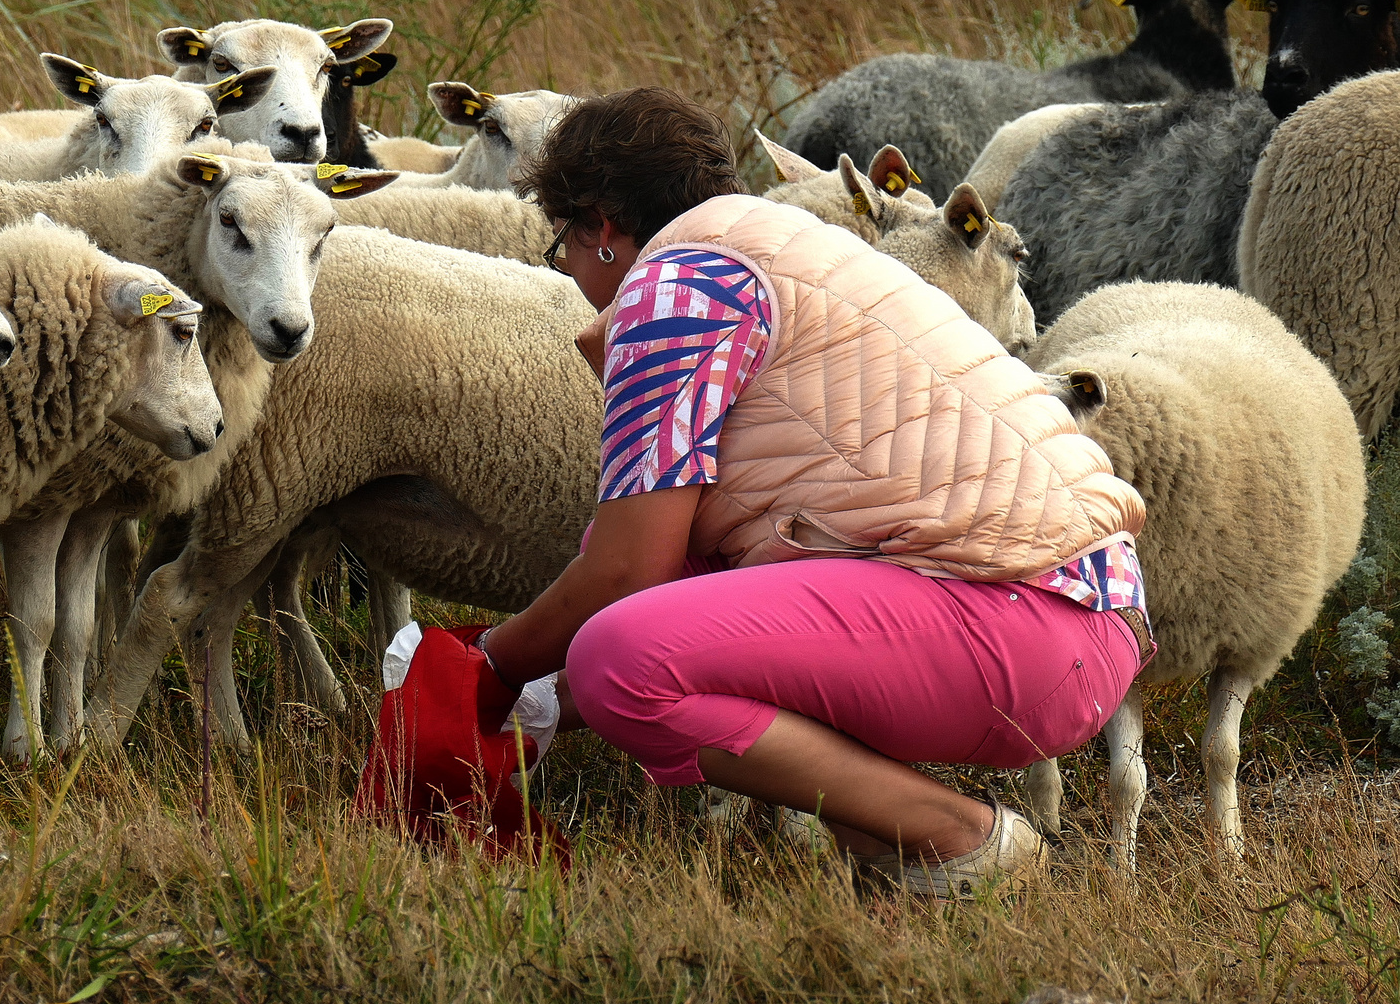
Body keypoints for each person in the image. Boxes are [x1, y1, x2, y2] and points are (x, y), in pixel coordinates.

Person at [473, 86, 1151, 898]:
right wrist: (534, 695)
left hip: (1024, 619)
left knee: (622, 661)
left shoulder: (677, 288)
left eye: (563, 248)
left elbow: (628, 573)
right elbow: (641, 571)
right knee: (620, 642)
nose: (572, 272)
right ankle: (889, 863)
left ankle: (964, 843)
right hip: (1070, 612)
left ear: (602, 228)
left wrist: (490, 667)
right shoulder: (781, 247)